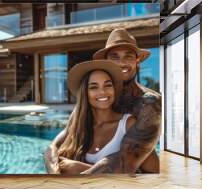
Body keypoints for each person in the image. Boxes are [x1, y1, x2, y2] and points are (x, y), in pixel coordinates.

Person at [45, 28, 161, 174]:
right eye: (115, 57)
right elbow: (65, 136)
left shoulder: (149, 103)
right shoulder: (95, 98)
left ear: (137, 61)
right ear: (106, 62)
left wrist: (76, 171)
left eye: (128, 56)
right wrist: (51, 161)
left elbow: (127, 161)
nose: (122, 63)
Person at [52, 60, 136, 174]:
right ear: (85, 93)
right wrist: (53, 170)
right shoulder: (79, 123)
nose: (102, 91)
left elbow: (139, 172)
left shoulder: (128, 124)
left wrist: (80, 168)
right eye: (93, 87)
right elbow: (51, 148)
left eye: (108, 85)